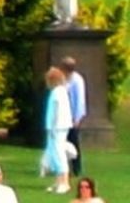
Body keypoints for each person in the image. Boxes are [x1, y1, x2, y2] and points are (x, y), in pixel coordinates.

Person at [43, 66, 78, 194]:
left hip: (57, 127)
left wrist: (52, 126)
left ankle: (65, 182)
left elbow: (56, 111)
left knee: (58, 154)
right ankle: (58, 181)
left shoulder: (58, 92)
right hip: (58, 126)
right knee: (55, 152)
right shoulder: (61, 91)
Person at [65, 58, 88, 169]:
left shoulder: (77, 80)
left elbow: (79, 100)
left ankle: (76, 166)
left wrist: (77, 118)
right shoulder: (65, 79)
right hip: (65, 115)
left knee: (74, 142)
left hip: (73, 116)